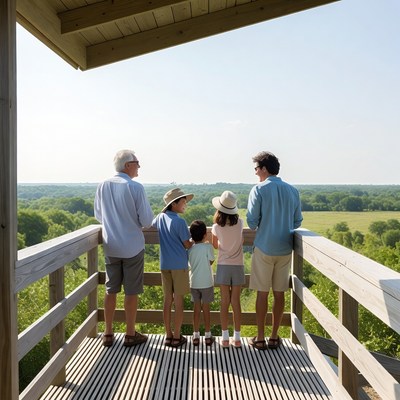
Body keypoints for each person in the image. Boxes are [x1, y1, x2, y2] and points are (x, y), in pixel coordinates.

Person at [94, 149, 154, 347]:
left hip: (111, 245)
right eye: (137, 162)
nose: (139, 166)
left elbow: (98, 216)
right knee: (131, 292)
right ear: (128, 165)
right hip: (132, 247)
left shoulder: (103, 185)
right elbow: (146, 221)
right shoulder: (135, 187)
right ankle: (130, 334)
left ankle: (108, 333)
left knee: (111, 289)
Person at [247, 151, 303, 350]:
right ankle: (274, 337)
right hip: (285, 248)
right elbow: (297, 221)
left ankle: (260, 338)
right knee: (280, 294)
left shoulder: (259, 190)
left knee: (262, 294)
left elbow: (251, 222)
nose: (255, 173)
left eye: (256, 168)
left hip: (264, 247)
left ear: (264, 168)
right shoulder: (292, 191)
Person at [152, 188, 194, 348]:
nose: (185, 205)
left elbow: (151, 226)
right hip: (179, 266)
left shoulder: (160, 217)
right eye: (183, 202)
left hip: (165, 264)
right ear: (174, 204)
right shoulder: (180, 222)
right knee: (179, 301)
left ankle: (167, 335)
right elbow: (187, 244)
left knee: (167, 300)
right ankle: (177, 336)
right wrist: (196, 242)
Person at [211, 191, 245, 348]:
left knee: (224, 302)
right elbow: (242, 240)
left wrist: (223, 247)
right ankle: (237, 338)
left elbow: (214, 245)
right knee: (235, 302)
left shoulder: (216, 227)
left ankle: (225, 338)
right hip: (238, 266)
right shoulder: (240, 223)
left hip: (223, 265)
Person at [188, 220, 215, 346]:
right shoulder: (208, 247)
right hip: (207, 283)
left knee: (196, 309)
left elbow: (190, 264)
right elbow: (210, 261)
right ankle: (208, 335)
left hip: (194, 282)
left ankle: (196, 335)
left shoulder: (190, 249)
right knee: (206, 308)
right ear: (205, 234)